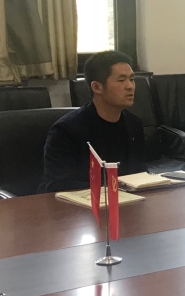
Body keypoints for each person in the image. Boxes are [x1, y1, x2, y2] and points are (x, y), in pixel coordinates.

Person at [40, 51, 146, 193]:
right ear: (97, 87)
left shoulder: (133, 123)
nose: (130, 86)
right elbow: (57, 185)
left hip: (125, 200)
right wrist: (111, 190)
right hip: (81, 203)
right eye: (121, 80)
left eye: (132, 79)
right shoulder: (66, 130)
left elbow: (139, 174)